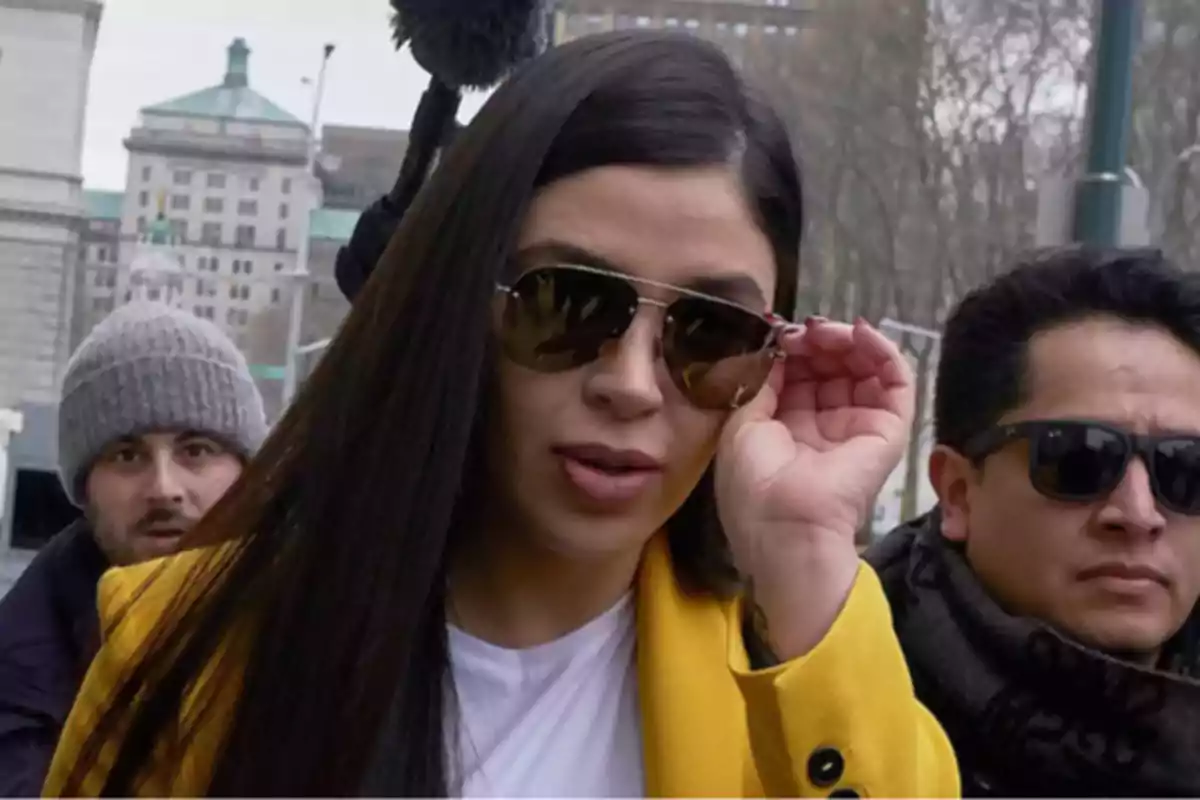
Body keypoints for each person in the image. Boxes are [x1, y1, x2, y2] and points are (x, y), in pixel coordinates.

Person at [44, 31, 958, 797]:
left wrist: (803, 557)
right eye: (566, 302)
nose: (633, 384)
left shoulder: (806, 692)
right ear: (457, 306)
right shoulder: (182, 652)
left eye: (708, 331)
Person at [867, 246, 1200, 796]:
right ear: (957, 492)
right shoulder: (812, 677)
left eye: (1186, 468)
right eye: (1078, 459)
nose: (1139, 514)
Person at [0, 302, 267, 796]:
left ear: (246, 471)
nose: (164, 488)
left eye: (196, 450)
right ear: (84, 489)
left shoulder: (324, 621)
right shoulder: (20, 672)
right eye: (127, 455)